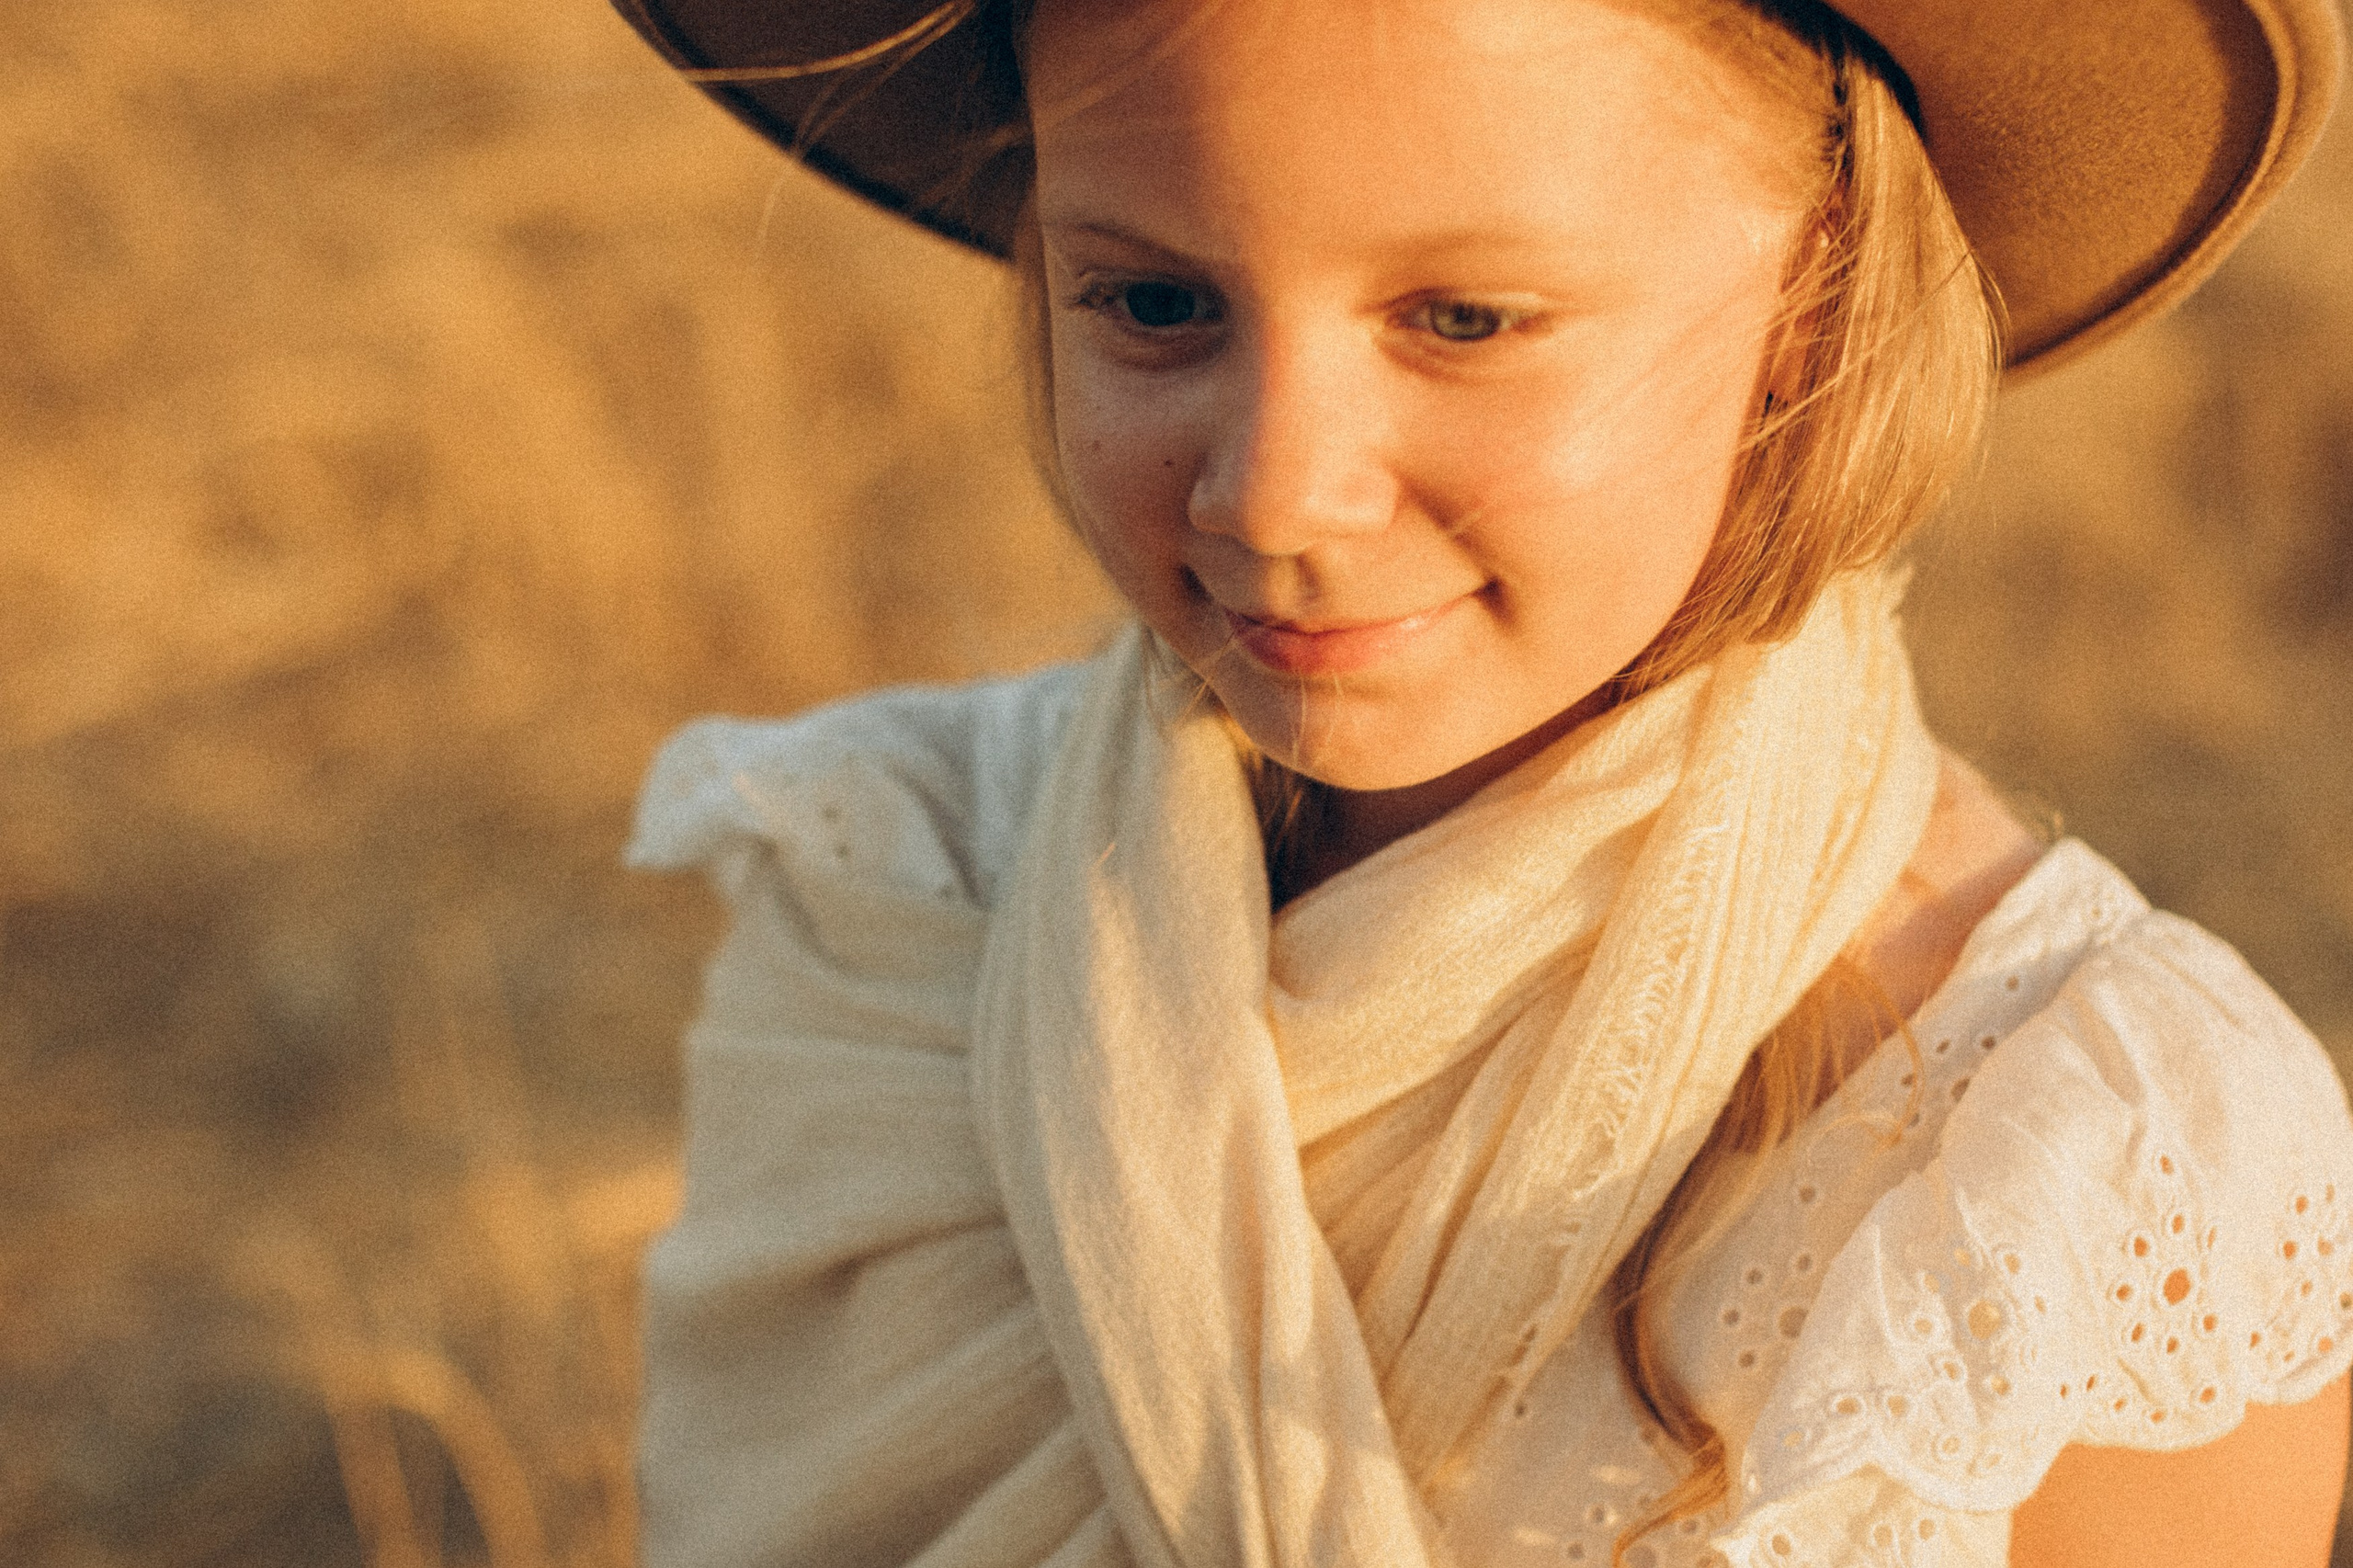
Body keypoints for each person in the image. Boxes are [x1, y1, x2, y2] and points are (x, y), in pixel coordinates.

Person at [612, 0, 2353, 1562]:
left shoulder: (2089, 1183)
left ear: (1814, 298)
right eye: (1154, 303)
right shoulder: (895, 907)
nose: (1279, 494)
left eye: (1464, 317)